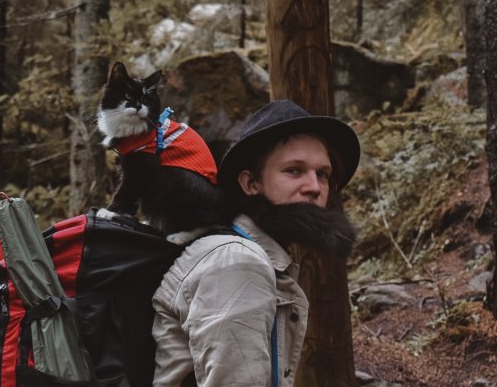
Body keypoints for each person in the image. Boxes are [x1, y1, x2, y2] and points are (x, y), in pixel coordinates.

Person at [151, 100, 360, 386]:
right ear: (250, 184)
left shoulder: (248, 254)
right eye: (294, 170)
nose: (315, 187)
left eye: (322, 174)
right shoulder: (238, 262)